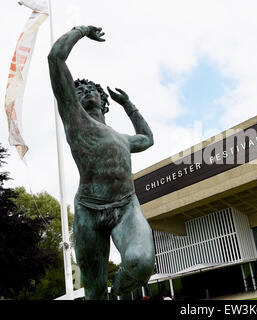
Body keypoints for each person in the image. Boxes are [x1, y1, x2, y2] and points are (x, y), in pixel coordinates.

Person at [48, 25, 155, 300]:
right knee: (94, 292)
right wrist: (82, 31)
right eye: (78, 90)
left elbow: (146, 138)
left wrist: (129, 105)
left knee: (142, 263)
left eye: (88, 89)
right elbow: (55, 58)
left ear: (102, 100)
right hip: (89, 210)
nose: (83, 92)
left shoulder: (121, 138)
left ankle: (119, 291)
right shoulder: (75, 119)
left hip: (126, 205)